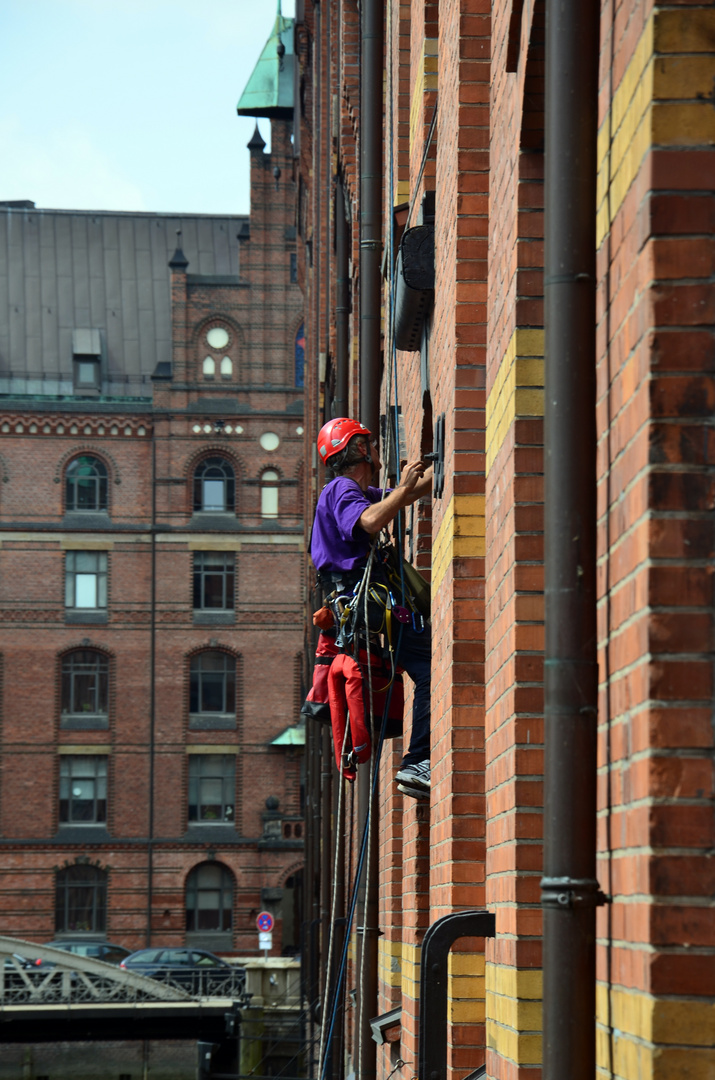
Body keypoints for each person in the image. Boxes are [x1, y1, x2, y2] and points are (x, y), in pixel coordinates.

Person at [310, 417, 433, 798]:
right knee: (430, 664)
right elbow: (368, 521)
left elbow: (403, 496)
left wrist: (450, 466)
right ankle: (417, 763)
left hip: (365, 614)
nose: (377, 450)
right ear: (360, 449)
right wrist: (403, 490)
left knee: (427, 664)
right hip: (367, 609)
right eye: (371, 443)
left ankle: (418, 762)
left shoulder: (354, 490)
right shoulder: (342, 489)